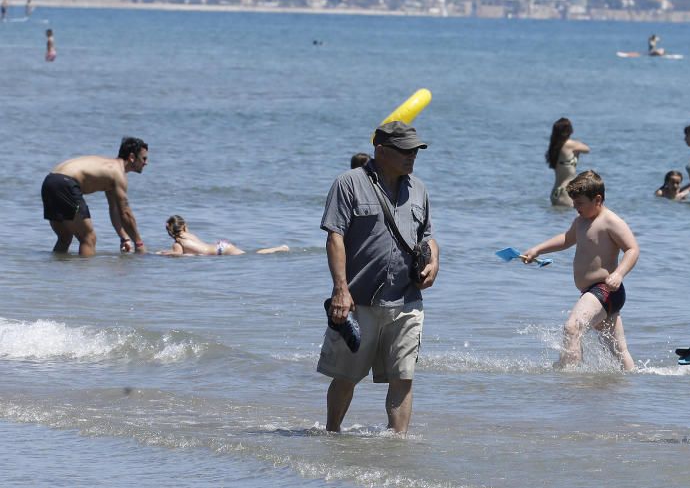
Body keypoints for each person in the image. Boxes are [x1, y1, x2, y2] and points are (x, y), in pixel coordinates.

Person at [318, 120, 439, 434]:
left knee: (404, 378)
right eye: (404, 151)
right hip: (359, 302)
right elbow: (335, 238)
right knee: (346, 377)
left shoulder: (419, 189)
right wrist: (341, 290)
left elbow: (428, 236)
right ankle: (332, 435)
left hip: (407, 300)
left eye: (415, 150)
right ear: (381, 150)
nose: (412, 156)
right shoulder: (348, 183)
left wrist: (434, 261)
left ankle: (397, 446)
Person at [522, 170, 639, 371]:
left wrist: (618, 274)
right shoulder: (581, 221)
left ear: (598, 199)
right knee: (619, 351)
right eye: (574, 202)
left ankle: (569, 377)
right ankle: (632, 385)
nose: (575, 207)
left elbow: (633, 249)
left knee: (572, 327)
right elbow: (567, 240)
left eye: (580, 203)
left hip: (605, 290)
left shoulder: (611, 221)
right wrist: (537, 249)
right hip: (594, 293)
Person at [41, 137, 149, 256]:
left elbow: (115, 210)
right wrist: (139, 243)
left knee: (65, 237)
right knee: (89, 238)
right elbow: (126, 213)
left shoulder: (110, 170)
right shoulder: (118, 173)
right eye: (143, 158)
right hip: (66, 182)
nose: (146, 163)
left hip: (50, 181)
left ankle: (55, 273)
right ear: (132, 157)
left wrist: (124, 238)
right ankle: (84, 275)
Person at [157, 215, 289, 255]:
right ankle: (278, 248)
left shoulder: (177, 243)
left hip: (220, 251)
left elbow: (177, 254)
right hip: (220, 246)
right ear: (184, 226)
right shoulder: (189, 235)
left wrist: (162, 253)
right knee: (250, 254)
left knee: (254, 255)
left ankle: (280, 248)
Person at [546, 117, 590, 207]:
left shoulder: (554, 147)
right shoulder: (569, 144)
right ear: (569, 130)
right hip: (565, 194)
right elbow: (587, 149)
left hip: (555, 192)